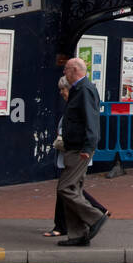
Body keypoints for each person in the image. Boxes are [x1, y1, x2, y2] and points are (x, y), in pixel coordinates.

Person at [44, 75, 107, 237]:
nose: (61, 93)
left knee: (65, 188)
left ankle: (96, 215)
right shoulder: (76, 101)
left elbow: (90, 125)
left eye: (63, 89)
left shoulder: (83, 95)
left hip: (77, 152)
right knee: (72, 189)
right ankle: (78, 233)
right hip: (76, 152)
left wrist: (85, 146)